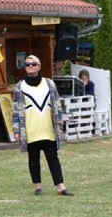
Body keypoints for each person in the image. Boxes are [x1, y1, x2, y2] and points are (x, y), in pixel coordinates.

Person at [12, 55, 73, 196]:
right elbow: (15, 109)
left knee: (53, 157)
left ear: (39, 66)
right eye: (27, 64)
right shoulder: (20, 86)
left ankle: (61, 186)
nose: (30, 66)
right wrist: (16, 130)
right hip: (30, 128)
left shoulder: (49, 84)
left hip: (48, 128)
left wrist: (60, 124)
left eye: (34, 64)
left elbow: (57, 105)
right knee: (33, 158)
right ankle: (37, 186)